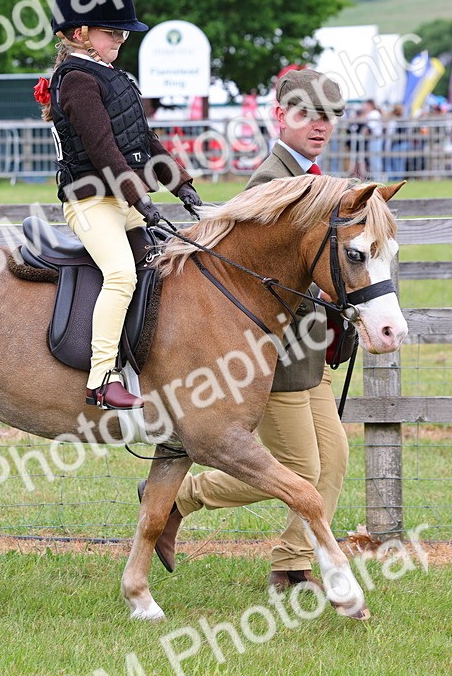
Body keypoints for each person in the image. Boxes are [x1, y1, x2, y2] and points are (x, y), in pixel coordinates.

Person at [148, 69, 349, 594]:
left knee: (334, 460)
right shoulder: (272, 183)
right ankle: (179, 499)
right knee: (296, 467)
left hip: (312, 354)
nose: (319, 125)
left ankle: (290, 559)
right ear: (280, 116)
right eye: (306, 114)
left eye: (328, 116)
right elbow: (258, 282)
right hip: (275, 354)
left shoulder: (315, 178)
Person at [40, 0, 200, 410]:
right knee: (121, 273)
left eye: (122, 34)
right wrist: (140, 198)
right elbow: (104, 149)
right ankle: (101, 378)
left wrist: (180, 183)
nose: (121, 41)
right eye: (113, 33)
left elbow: (143, 141)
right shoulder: (76, 80)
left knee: (171, 264)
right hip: (91, 202)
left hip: (123, 198)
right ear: (80, 34)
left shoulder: (117, 79)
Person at [363, 98, 385, 182]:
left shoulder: (374, 113)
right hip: (373, 139)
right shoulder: (373, 113)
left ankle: (378, 179)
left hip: (375, 139)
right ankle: (377, 178)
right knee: (374, 160)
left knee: (375, 160)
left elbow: (370, 127)